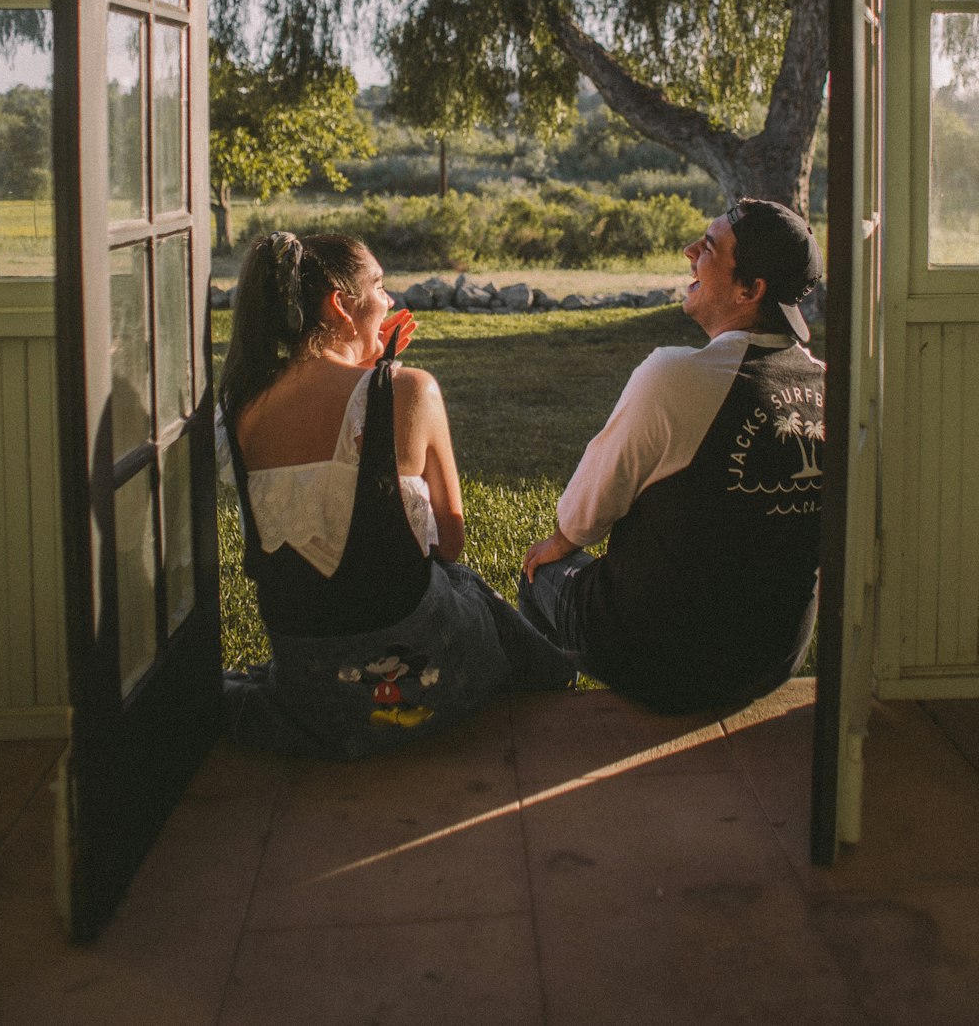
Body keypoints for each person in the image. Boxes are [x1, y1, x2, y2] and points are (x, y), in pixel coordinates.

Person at [218, 231, 573, 759]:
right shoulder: (409, 391)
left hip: (313, 690)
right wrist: (379, 378)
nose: (389, 301)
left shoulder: (239, 408)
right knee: (471, 589)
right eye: (379, 285)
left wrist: (367, 370)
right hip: (428, 671)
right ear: (340, 304)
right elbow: (449, 543)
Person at [519, 198, 826, 716]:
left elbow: (581, 514)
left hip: (665, 662)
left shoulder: (676, 376)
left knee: (539, 578)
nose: (689, 252)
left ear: (750, 290)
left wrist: (559, 544)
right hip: (774, 658)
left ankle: (552, 726)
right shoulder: (824, 384)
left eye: (707, 248)